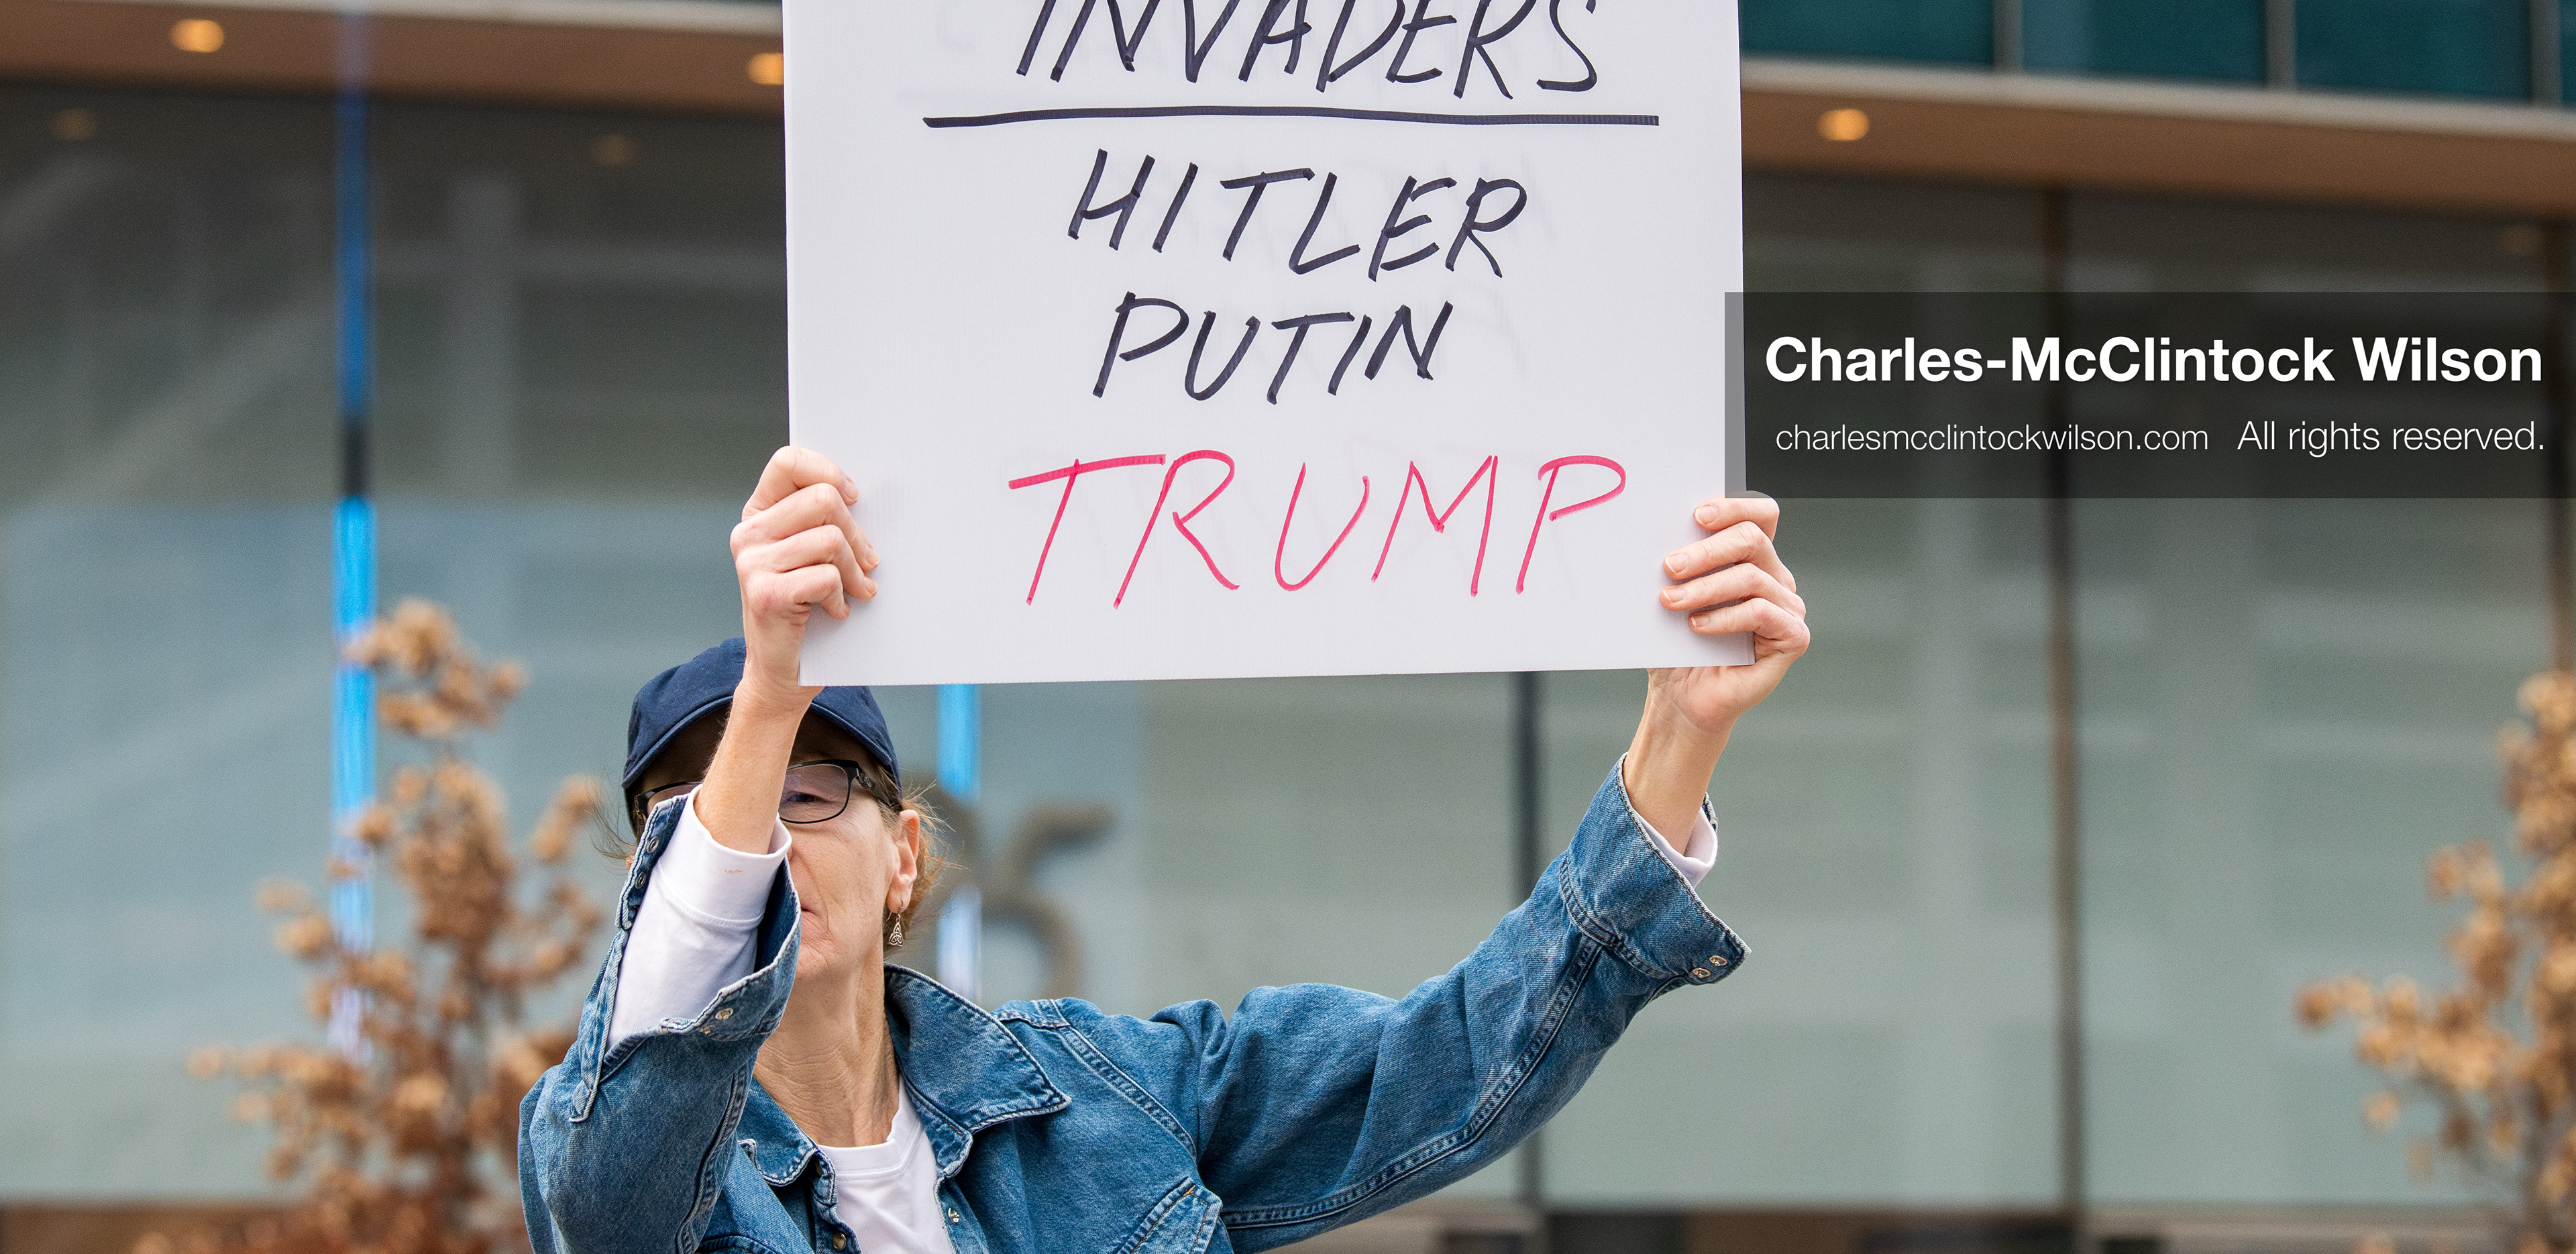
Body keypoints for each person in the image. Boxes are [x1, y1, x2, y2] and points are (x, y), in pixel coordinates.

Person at [519, 446, 1810, 1254]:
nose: (753, 843)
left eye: (804, 796)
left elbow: (1448, 1067)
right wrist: (769, 690)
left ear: (902, 854)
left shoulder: (1109, 1101)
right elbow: (632, 1140)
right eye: (700, 821)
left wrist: (1676, 737)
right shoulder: (604, 1167)